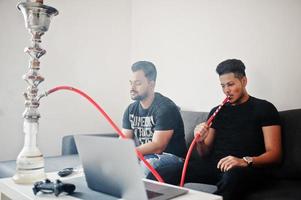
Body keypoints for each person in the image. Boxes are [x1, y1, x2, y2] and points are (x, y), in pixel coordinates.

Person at [188, 59, 282, 200]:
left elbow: (275, 154)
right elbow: (204, 153)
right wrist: (200, 142)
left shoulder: (264, 108)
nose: (227, 90)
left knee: (232, 176)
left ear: (244, 81)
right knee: (170, 171)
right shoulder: (217, 111)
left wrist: (244, 161)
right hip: (216, 167)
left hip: (245, 169)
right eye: (223, 86)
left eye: (231, 84)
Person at [122, 61, 187, 183]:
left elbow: (158, 146)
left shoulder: (165, 108)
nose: (132, 88)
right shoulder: (131, 109)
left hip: (171, 157)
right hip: (144, 155)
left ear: (151, 84)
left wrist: (130, 153)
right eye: (131, 83)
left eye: (138, 83)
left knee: (147, 165)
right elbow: (125, 140)